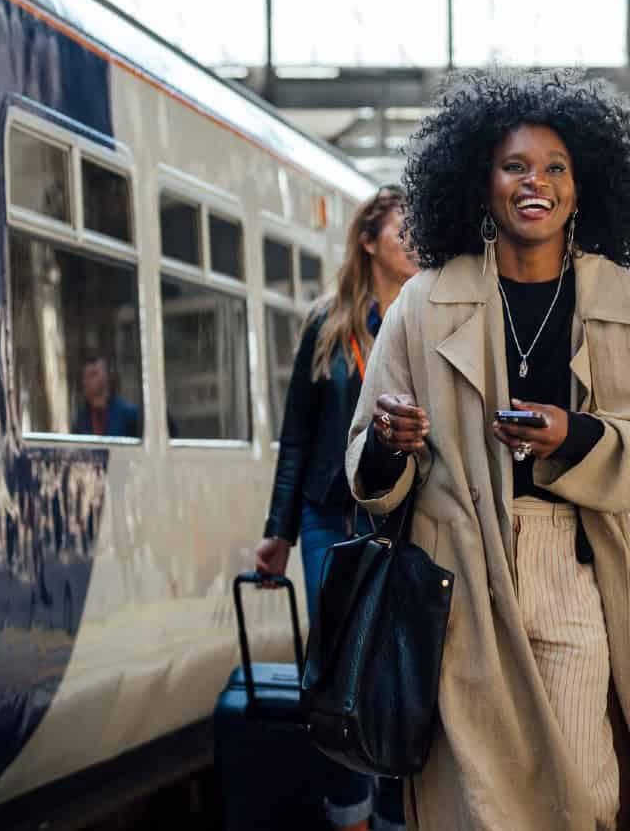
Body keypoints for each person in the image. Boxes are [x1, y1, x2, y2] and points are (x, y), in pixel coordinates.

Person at [348, 70, 630, 831]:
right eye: (515, 166)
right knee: (483, 802)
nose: (535, 183)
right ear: (480, 184)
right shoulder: (422, 302)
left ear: (583, 188)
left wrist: (576, 436)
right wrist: (391, 442)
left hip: (575, 564)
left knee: (583, 789)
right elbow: (365, 458)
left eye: (555, 168)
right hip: (457, 571)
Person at [254, 186, 416, 831]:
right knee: (341, 666)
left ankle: (399, 811)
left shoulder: (436, 316)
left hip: (405, 514)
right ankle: (349, 809)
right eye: (404, 229)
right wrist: (278, 533)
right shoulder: (327, 324)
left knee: (404, 665)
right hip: (331, 515)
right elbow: (297, 435)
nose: (415, 241)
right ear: (369, 239)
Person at [70, 352, 143, 437]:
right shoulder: (81, 420)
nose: (87, 381)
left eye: (93, 374)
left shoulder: (129, 414)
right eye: (85, 376)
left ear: (107, 375)